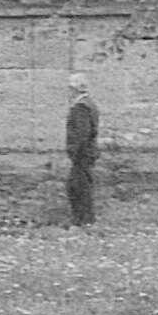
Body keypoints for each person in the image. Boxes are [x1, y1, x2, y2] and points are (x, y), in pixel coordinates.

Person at [65, 73, 98, 225]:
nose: (68, 92)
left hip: (81, 155)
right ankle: (84, 221)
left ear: (75, 89)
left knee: (79, 188)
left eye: (70, 88)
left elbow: (81, 133)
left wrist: (74, 152)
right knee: (79, 187)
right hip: (86, 153)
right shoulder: (89, 104)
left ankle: (83, 221)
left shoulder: (81, 107)